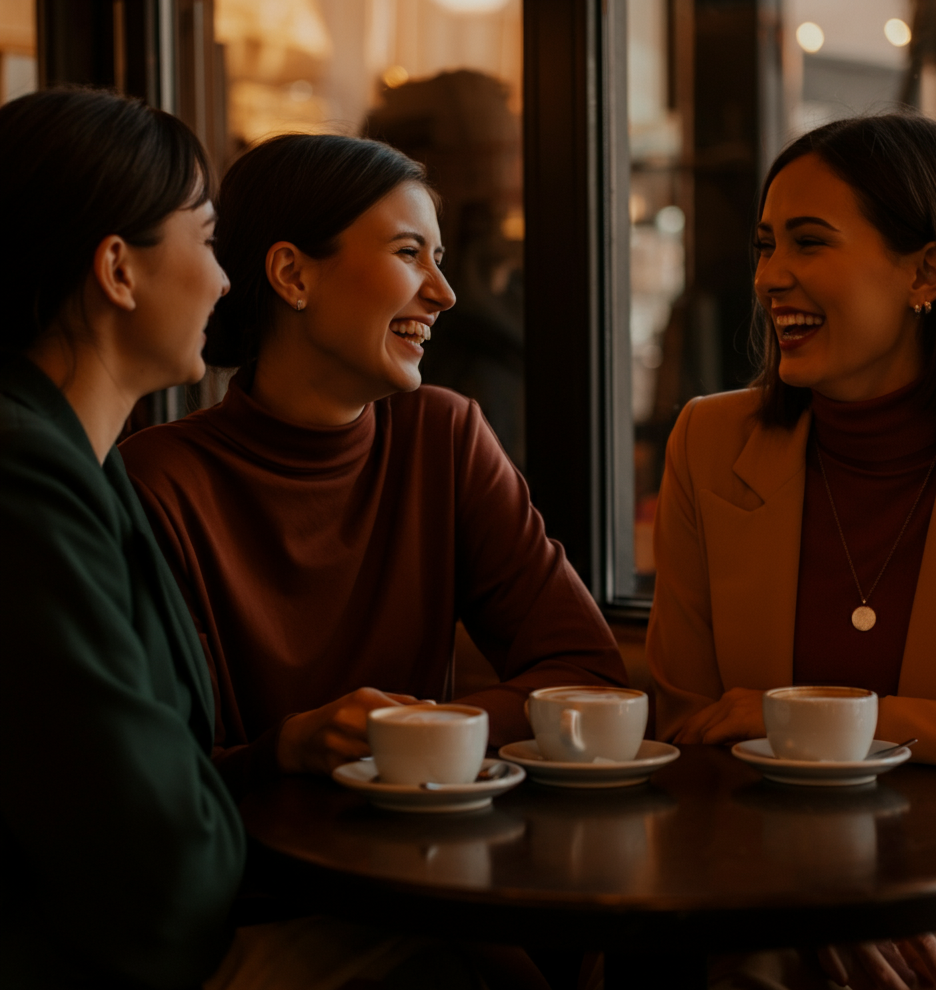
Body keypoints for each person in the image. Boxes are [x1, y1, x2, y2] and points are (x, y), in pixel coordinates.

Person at [647, 113, 936, 990]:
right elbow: (687, 724)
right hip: (750, 887)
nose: (771, 277)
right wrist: (805, 887)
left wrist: (847, 724)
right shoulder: (710, 439)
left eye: (810, 243)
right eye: (767, 246)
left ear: (926, 272)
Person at [119, 132, 628, 801]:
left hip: (432, 861)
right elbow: (155, 778)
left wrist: (422, 732)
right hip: (255, 884)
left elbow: (589, 675)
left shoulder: (444, 437)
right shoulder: (157, 481)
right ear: (293, 276)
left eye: (438, 259)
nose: (444, 293)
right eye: (409, 253)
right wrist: (286, 750)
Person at [0, 88, 245, 990]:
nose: (224, 280)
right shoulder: (24, 480)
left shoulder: (82, 464)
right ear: (118, 268)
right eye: (208, 238)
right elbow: (162, 876)